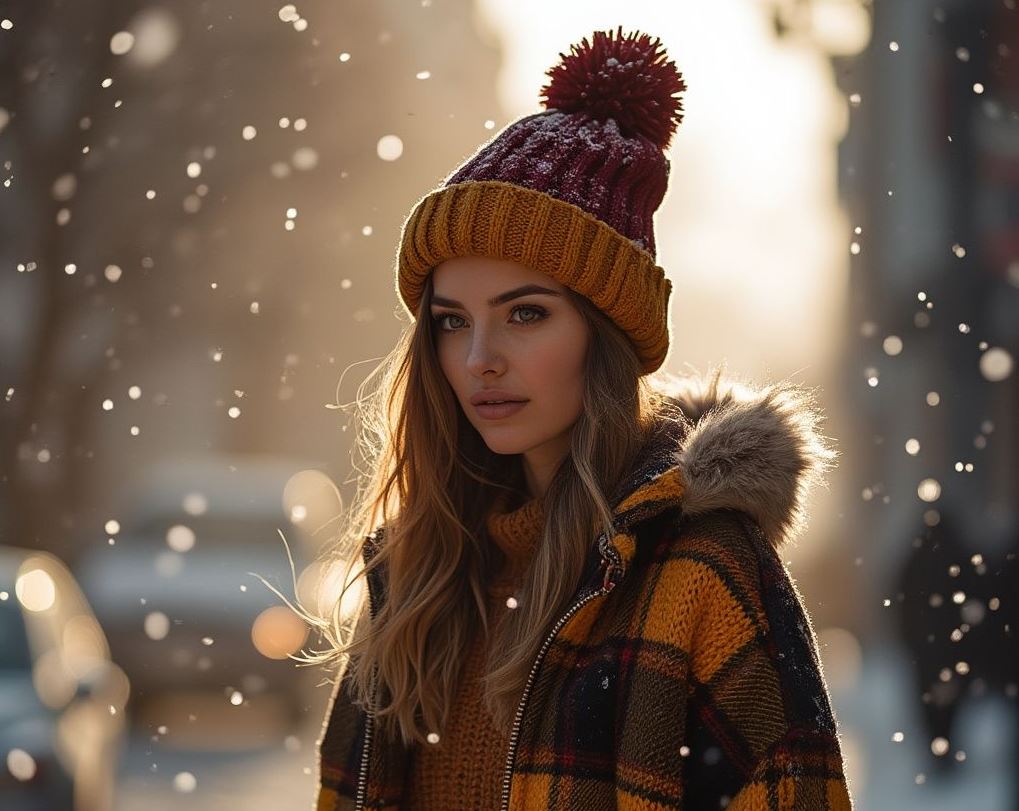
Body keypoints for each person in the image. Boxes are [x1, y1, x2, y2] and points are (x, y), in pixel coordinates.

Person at [308, 26, 854, 811]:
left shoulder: (700, 570)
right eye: (451, 320)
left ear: (603, 336)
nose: (477, 359)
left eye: (524, 314)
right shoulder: (417, 576)